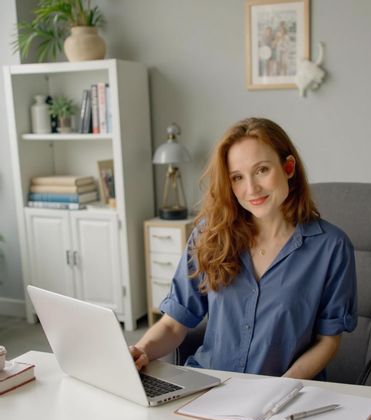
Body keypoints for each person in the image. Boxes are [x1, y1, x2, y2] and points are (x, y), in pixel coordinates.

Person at [130, 117, 357, 380]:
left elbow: (328, 342)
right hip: (208, 388)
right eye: (237, 177)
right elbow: (173, 324)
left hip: (283, 398)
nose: (251, 189)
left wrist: (281, 390)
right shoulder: (208, 234)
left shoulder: (332, 247)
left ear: (289, 167)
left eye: (262, 170)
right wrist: (141, 350)